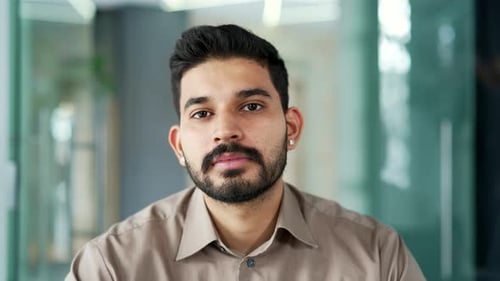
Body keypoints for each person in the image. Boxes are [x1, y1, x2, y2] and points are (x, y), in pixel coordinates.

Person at [65, 24, 425, 280]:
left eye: (251, 106)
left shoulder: (376, 257)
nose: (225, 131)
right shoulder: (111, 267)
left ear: (292, 128)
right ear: (178, 145)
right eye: (202, 114)